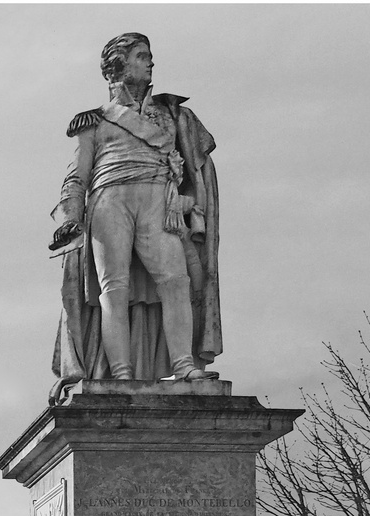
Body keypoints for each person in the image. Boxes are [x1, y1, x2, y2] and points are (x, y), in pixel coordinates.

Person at [49, 33, 222, 402]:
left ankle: (183, 365)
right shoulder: (93, 121)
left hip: (159, 199)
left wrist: (190, 201)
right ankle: (121, 372)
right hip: (110, 200)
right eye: (142, 56)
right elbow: (76, 176)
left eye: (149, 56)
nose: (150, 62)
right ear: (119, 65)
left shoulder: (173, 115)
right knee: (115, 289)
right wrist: (70, 218)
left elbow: (194, 171)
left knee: (176, 280)